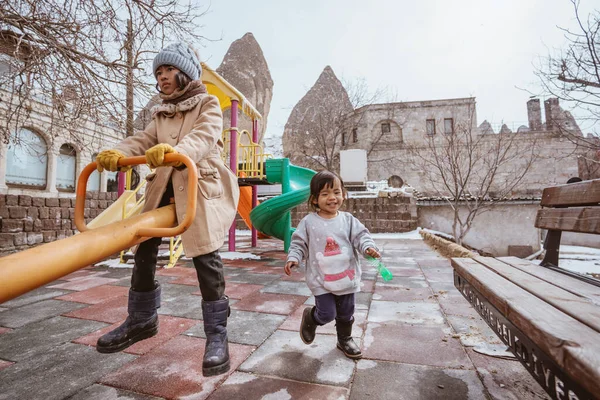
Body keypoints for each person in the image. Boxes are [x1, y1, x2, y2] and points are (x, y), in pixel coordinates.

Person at [94, 42, 239, 377]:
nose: (162, 78)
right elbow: (142, 141)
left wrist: (175, 150)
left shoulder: (208, 103)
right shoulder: (160, 113)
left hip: (198, 189)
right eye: (157, 73)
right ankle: (142, 318)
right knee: (144, 247)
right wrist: (116, 152)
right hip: (165, 189)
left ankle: (217, 335)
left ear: (184, 73)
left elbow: (203, 138)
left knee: (206, 257)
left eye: (167, 71)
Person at [284, 170, 380, 359]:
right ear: (314, 199)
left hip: (347, 277)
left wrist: (368, 247)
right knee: (327, 314)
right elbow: (298, 243)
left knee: (346, 313)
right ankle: (312, 317)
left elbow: (362, 237)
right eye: (325, 193)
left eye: (336, 192)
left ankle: (344, 339)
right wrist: (294, 257)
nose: (332, 198)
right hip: (322, 279)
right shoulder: (309, 222)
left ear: (343, 194)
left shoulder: (348, 220)